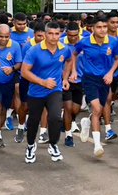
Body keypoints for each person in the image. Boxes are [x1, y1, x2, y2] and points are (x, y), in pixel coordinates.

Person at [20, 22, 77, 164]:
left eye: (57, 33)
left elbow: (69, 61)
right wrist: (42, 82)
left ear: (60, 34)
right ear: (45, 34)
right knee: (33, 121)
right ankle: (31, 146)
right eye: (50, 33)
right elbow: (24, 72)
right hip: (36, 92)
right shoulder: (34, 51)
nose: (53, 37)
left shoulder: (64, 49)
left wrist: (65, 78)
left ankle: (53, 144)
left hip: (55, 90)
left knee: (56, 117)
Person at [72, 15, 118, 159]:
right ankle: (97, 145)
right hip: (89, 79)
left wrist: (111, 73)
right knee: (97, 109)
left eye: (104, 27)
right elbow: (74, 54)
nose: (102, 30)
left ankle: (86, 122)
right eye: (99, 27)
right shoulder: (85, 42)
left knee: (100, 108)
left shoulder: (113, 42)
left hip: (105, 80)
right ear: (92, 28)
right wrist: (74, 70)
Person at [0, 24, 22, 150]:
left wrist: (12, 68)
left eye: (6, 37)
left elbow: (19, 63)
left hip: (8, 82)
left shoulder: (15, 46)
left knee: (3, 109)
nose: (3, 39)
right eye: (1, 36)